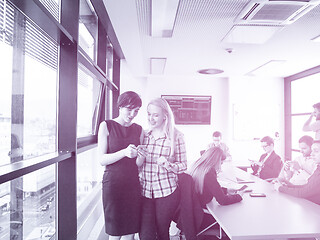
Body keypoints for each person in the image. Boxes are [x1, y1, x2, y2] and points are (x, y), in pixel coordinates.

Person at [137, 97, 187, 240]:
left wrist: (168, 165)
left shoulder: (176, 136)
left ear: (165, 116)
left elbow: (183, 165)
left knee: (162, 232)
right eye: (148, 114)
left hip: (166, 193)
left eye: (155, 115)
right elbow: (138, 164)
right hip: (145, 191)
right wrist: (139, 156)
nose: (150, 118)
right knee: (145, 234)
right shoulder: (144, 135)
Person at [98, 91, 143, 240]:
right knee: (115, 232)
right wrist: (124, 152)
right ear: (120, 106)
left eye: (136, 111)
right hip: (113, 184)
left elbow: (138, 165)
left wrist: (141, 157)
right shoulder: (106, 125)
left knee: (130, 232)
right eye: (129, 109)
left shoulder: (139, 129)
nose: (132, 114)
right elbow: (102, 160)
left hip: (133, 184)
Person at [274, 140, 320, 205]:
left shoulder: (315, 164)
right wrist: (288, 185)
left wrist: (280, 188)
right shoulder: (318, 168)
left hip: (311, 205)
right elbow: (308, 186)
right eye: (312, 151)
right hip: (300, 196)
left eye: (316, 151)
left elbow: (304, 192)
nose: (312, 154)